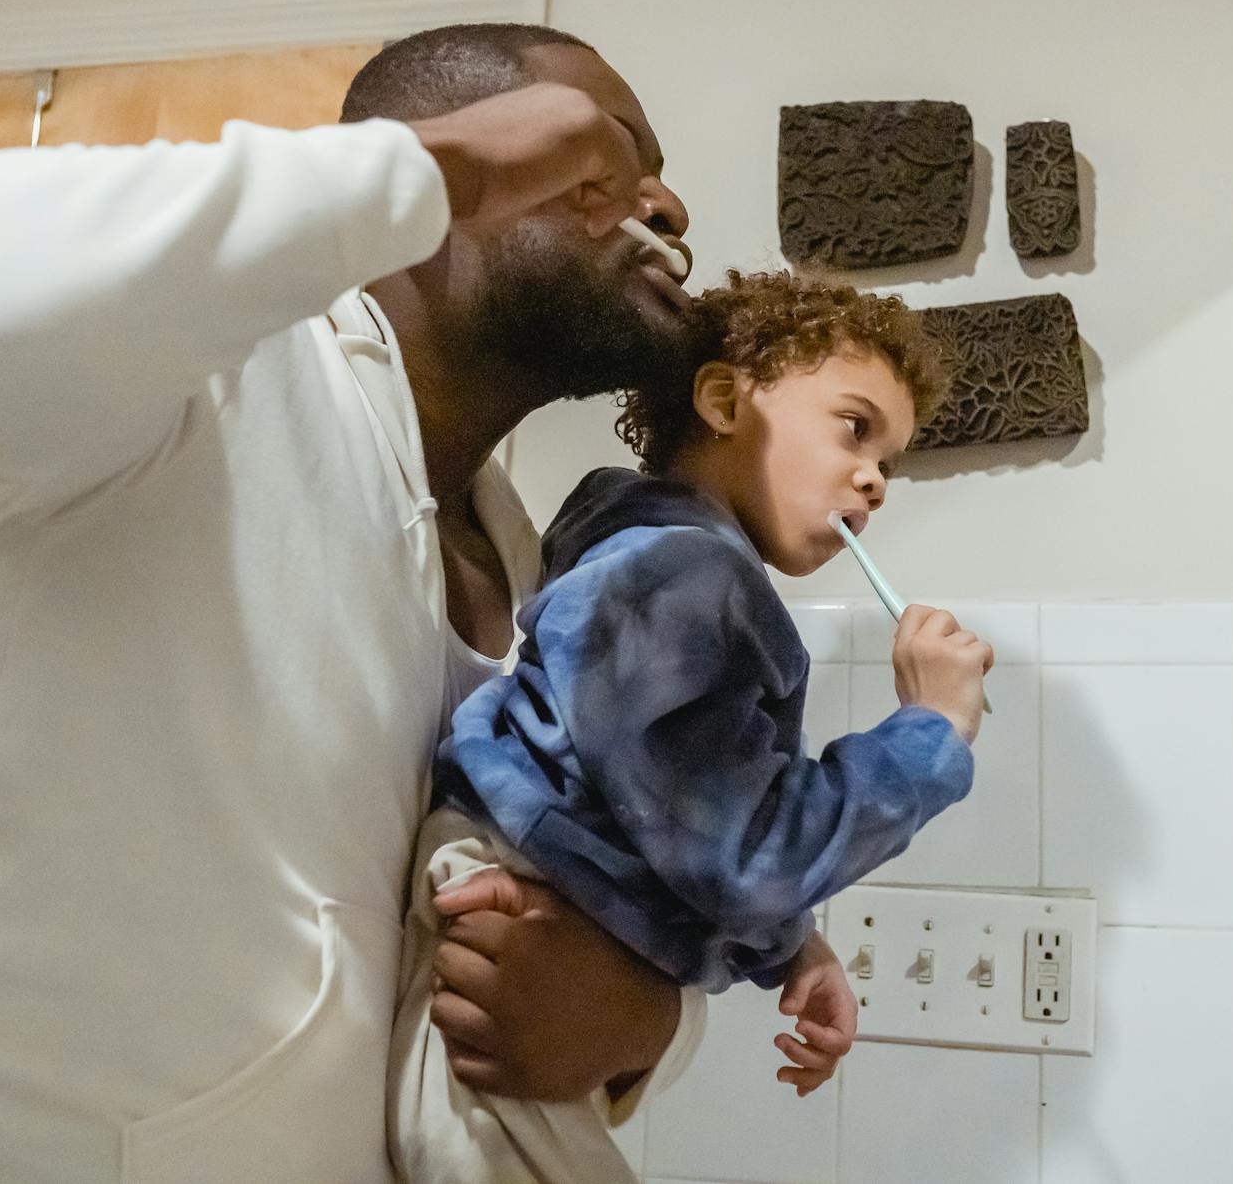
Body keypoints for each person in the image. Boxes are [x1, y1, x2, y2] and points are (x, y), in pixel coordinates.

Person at [0, 23, 707, 1183]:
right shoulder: (195, 371)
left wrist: (645, 1024)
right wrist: (430, 171)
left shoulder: (556, 586)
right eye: (620, 146)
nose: (673, 205)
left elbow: (610, 898)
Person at [388, 271, 994, 1183]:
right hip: (511, 924)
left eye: (890, 465)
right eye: (854, 426)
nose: (874, 478)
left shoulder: (657, 562)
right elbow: (743, 858)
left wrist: (792, 945)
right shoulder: (683, 577)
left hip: (536, 911)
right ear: (721, 401)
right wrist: (930, 732)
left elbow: (685, 822)